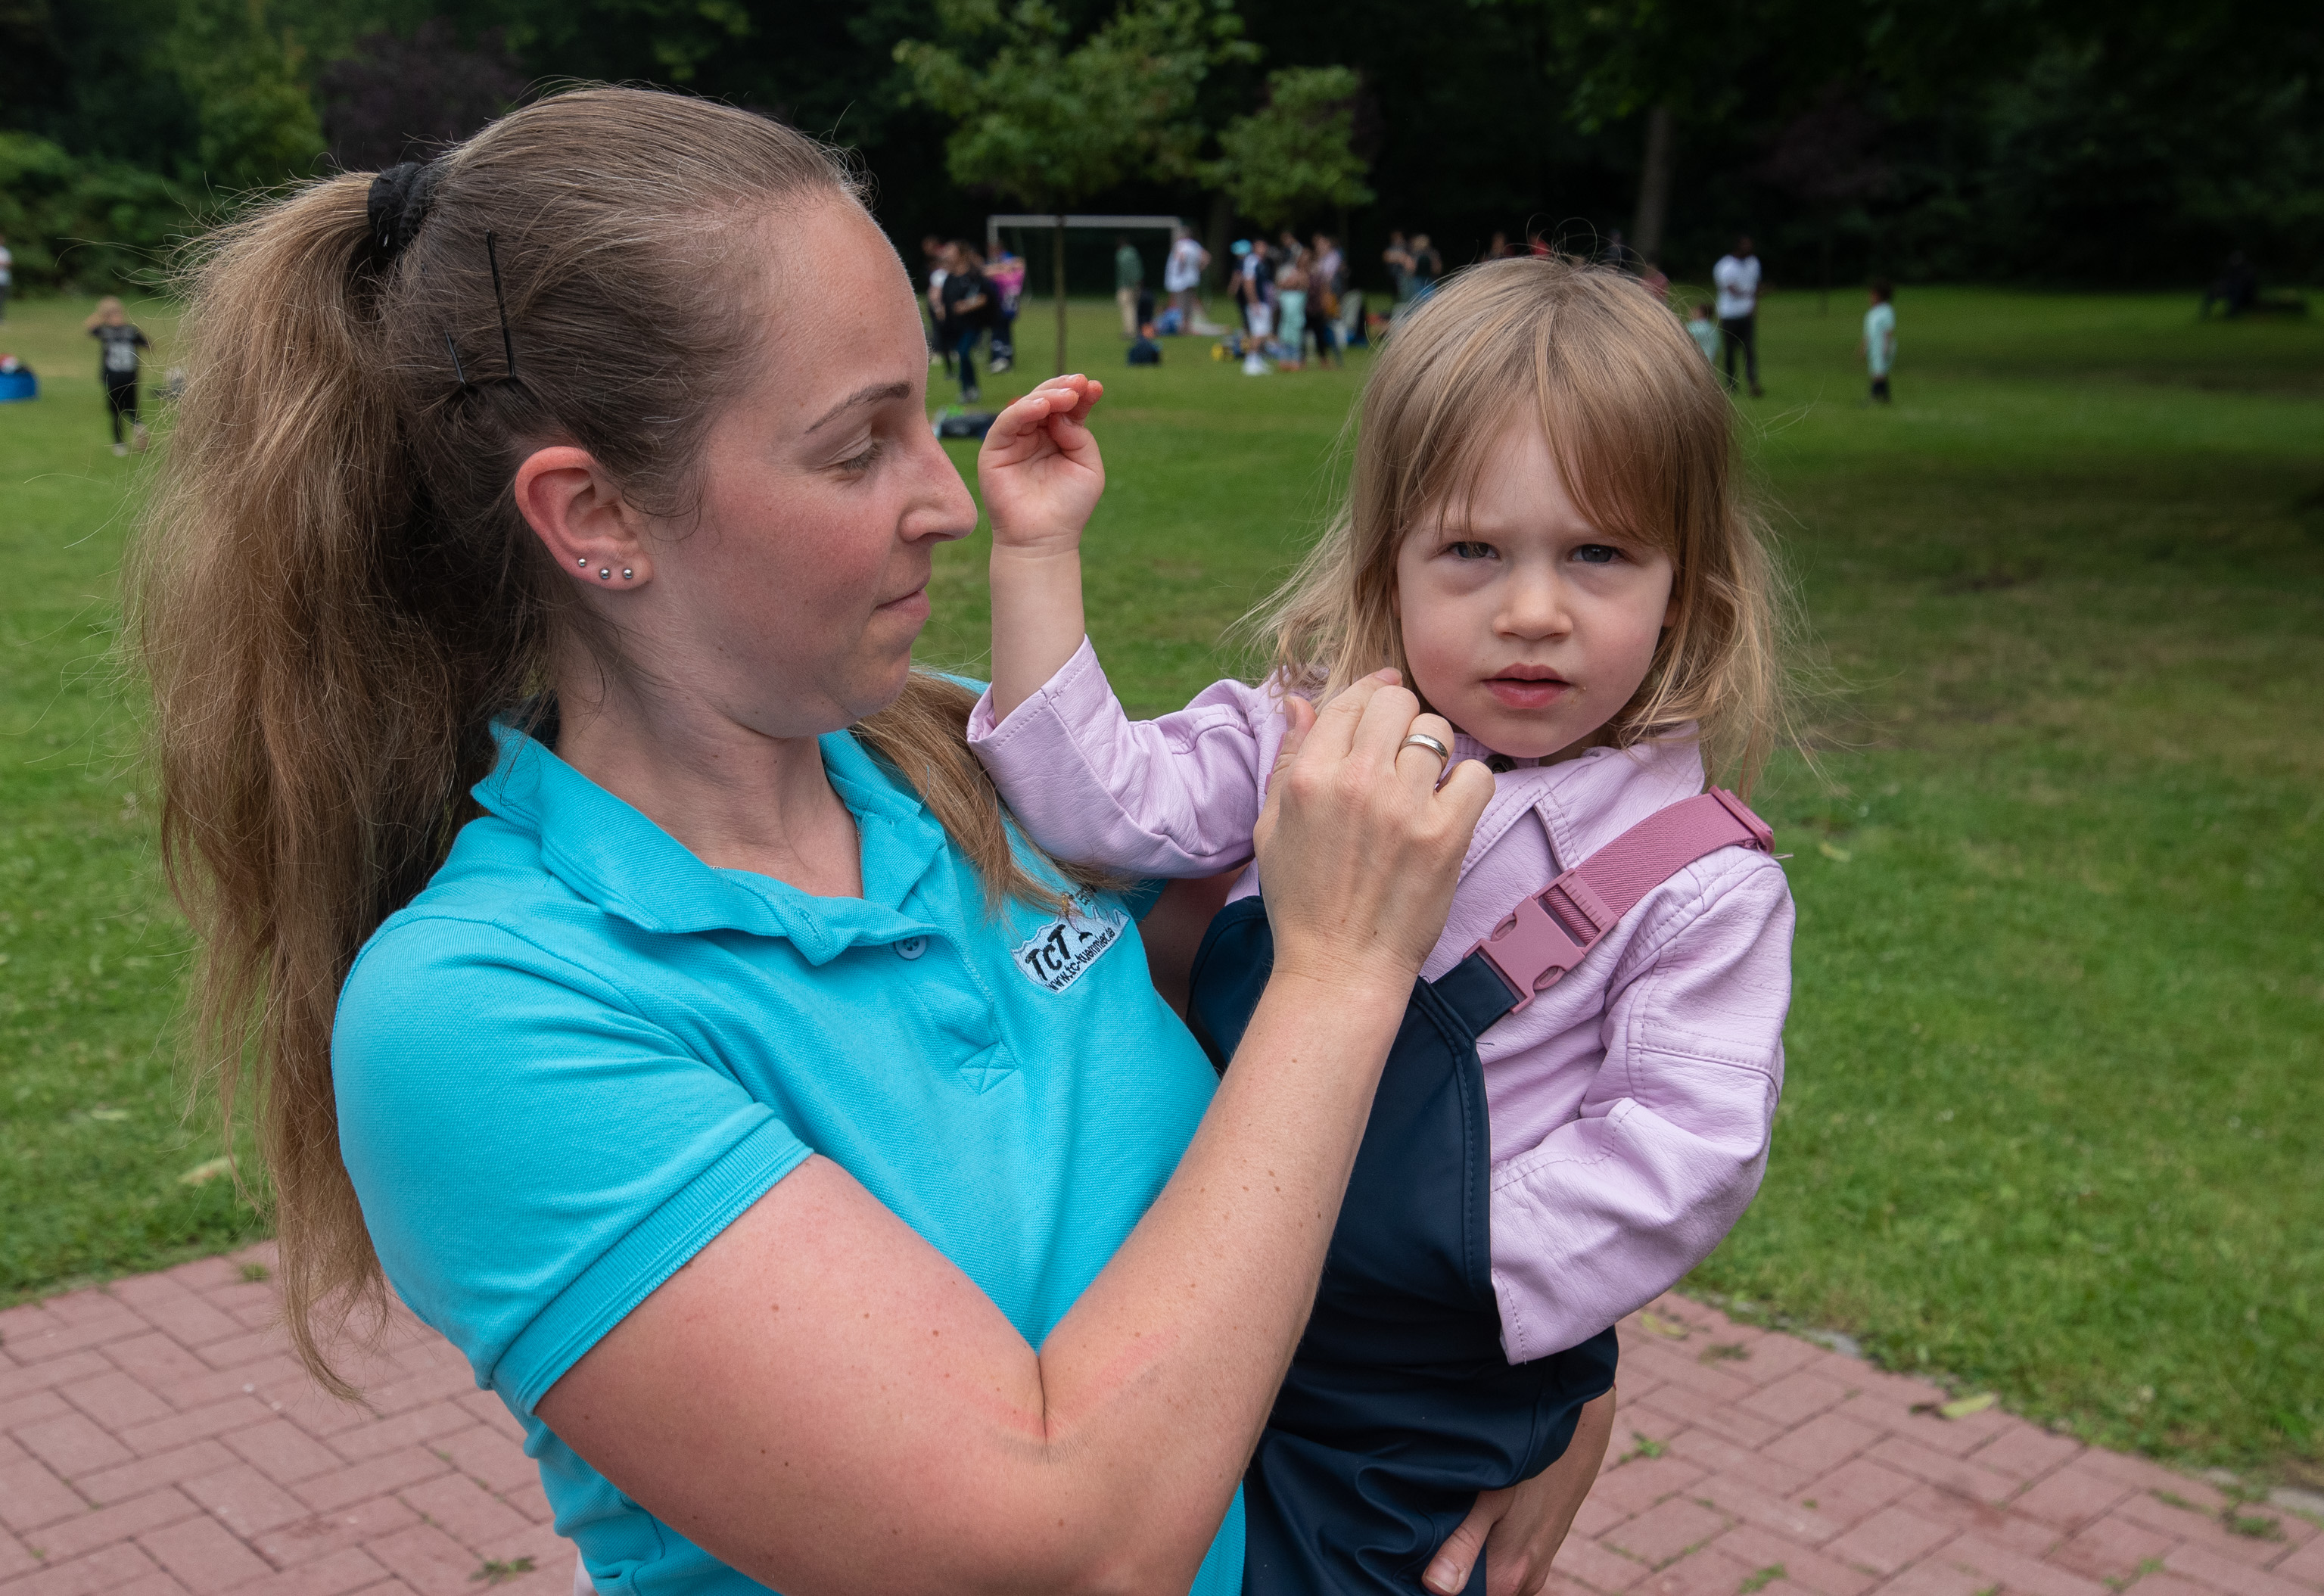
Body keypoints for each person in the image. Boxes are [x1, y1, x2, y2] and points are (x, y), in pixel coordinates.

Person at [128, 86, 1599, 1596]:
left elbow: (1331, 1106)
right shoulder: (483, 1011)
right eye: (856, 449)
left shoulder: (961, 763)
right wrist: (1340, 972)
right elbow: (1063, 1539)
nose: (950, 501)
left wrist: (1546, 1352)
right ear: (594, 517)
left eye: (929, 417)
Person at [971, 255, 1795, 1594]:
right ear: (1389, 560)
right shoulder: (1307, 737)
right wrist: (1037, 548)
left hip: (1412, 1406)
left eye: (1598, 553)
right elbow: (1095, 806)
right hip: (1206, 1318)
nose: (1533, 609)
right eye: (1473, 550)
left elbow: (1683, 1149)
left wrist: (1423, 1250)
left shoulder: (1694, 881)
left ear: (1686, 586)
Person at [86, 296, 151, 455]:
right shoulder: (131, 331)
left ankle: (119, 443)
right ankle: (138, 426)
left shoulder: (105, 331)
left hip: (112, 377)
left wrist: (100, 314)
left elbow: (89, 327)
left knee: (116, 411)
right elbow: (148, 345)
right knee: (132, 408)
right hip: (130, 376)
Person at [938, 241, 993, 403]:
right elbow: (945, 301)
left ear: (960, 255)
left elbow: (984, 298)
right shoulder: (949, 279)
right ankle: (969, 389)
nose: (947, 255)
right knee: (961, 356)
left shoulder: (973, 276)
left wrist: (966, 306)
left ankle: (969, 390)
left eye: (951, 251)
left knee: (963, 353)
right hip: (955, 326)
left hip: (972, 325)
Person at [1713, 234, 1764, 397]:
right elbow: (1731, 289)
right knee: (1730, 351)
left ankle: (1752, 382)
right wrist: (1751, 294)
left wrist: (1754, 304)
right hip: (1729, 314)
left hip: (1746, 314)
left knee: (1749, 349)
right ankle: (1731, 384)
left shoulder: (1753, 263)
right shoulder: (1725, 266)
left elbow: (1755, 285)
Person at [985, 244, 1023, 373]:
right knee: (1006, 335)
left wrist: (1001, 267)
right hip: (1011, 310)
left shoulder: (1001, 278)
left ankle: (1000, 360)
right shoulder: (1017, 276)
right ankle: (1007, 359)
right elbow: (1020, 264)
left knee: (998, 335)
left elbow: (985, 273)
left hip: (1001, 310)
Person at [1164, 223, 1209, 328]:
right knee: (1189, 301)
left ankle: (1183, 325)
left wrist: (1180, 270)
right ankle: (1188, 324)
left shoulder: (1181, 245)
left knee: (1181, 303)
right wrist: (1198, 269)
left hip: (1181, 280)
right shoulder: (1195, 245)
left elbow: (1181, 258)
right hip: (1192, 278)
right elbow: (1206, 258)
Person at [1859, 278, 1896, 403]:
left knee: (1879, 373)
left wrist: (1886, 347)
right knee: (1878, 372)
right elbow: (1869, 333)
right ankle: (1886, 398)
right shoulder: (1872, 313)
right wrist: (1863, 348)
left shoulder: (1886, 310)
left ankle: (1873, 397)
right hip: (1874, 346)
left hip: (1882, 345)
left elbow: (1888, 331)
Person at [921, 234, 951, 375]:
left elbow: (935, 293)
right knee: (939, 330)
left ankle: (943, 353)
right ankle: (942, 353)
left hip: (941, 305)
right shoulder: (939, 274)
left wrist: (938, 307)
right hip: (940, 305)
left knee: (941, 330)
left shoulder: (940, 273)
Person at [1274, 250, 1309, 371]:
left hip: (1296, 312)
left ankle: (1295, 361)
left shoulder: (1305, 275)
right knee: (1285, 335)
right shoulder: (1292, 272)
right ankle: (1284, 361)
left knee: (1295, 337)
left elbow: (1302, 284)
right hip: (1288, 311)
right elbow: (1282, 284)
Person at [1115, 233, 1145, 338]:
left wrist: (1131, 282)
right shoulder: (1134, 252)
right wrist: (1138, 282)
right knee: (1134, 308)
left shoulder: (1121, 254)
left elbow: (1126, 271)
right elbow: (1139, 268)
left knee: (1127, 309)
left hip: (1125, 286)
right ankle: (1135, 330)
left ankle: (1129, 331)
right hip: (1136, 284)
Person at [1685, 299, 1722, 363]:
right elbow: (1716, 346)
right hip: (1710, 359)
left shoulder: (1693, 327)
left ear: (1701, 313)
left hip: (1695, 360)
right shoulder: (1713, 328)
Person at [0, 232, 13, 323]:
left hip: (3, 279)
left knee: (2, 299)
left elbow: (9, 263)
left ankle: (1, 318)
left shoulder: (6, 252)